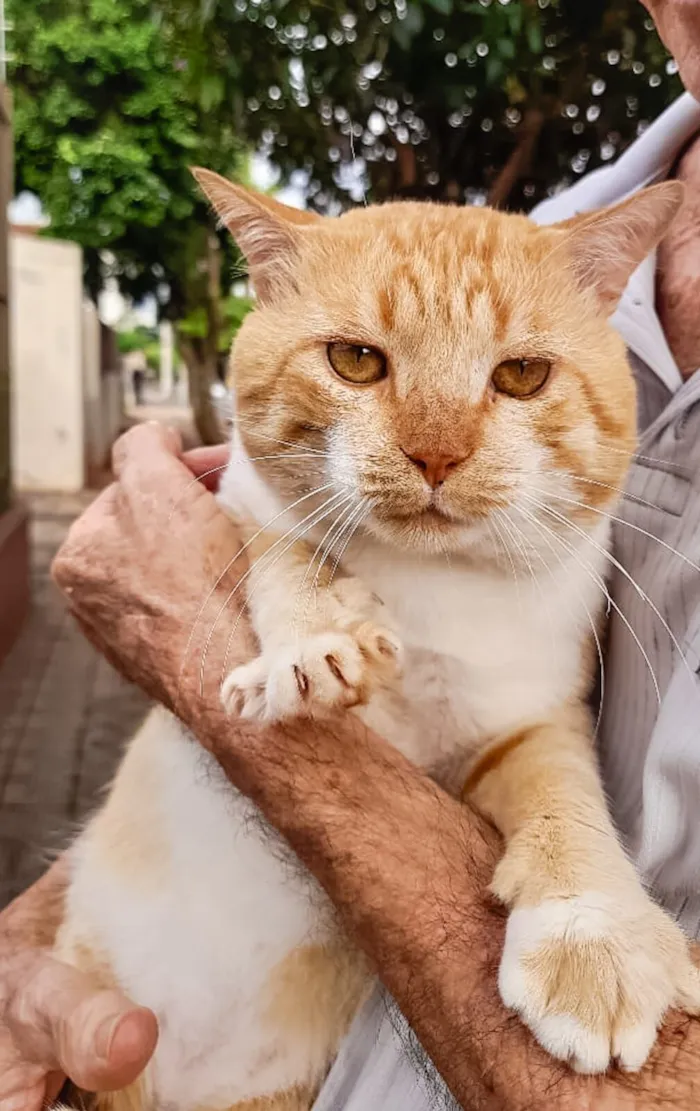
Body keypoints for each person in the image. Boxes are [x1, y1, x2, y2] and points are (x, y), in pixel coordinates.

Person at [2, 1, 700, 1107]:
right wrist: (32, 950)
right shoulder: (537, 241)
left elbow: (517, 732)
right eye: (364, 363)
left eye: (515, 376)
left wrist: (201, 650)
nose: (436, 450)